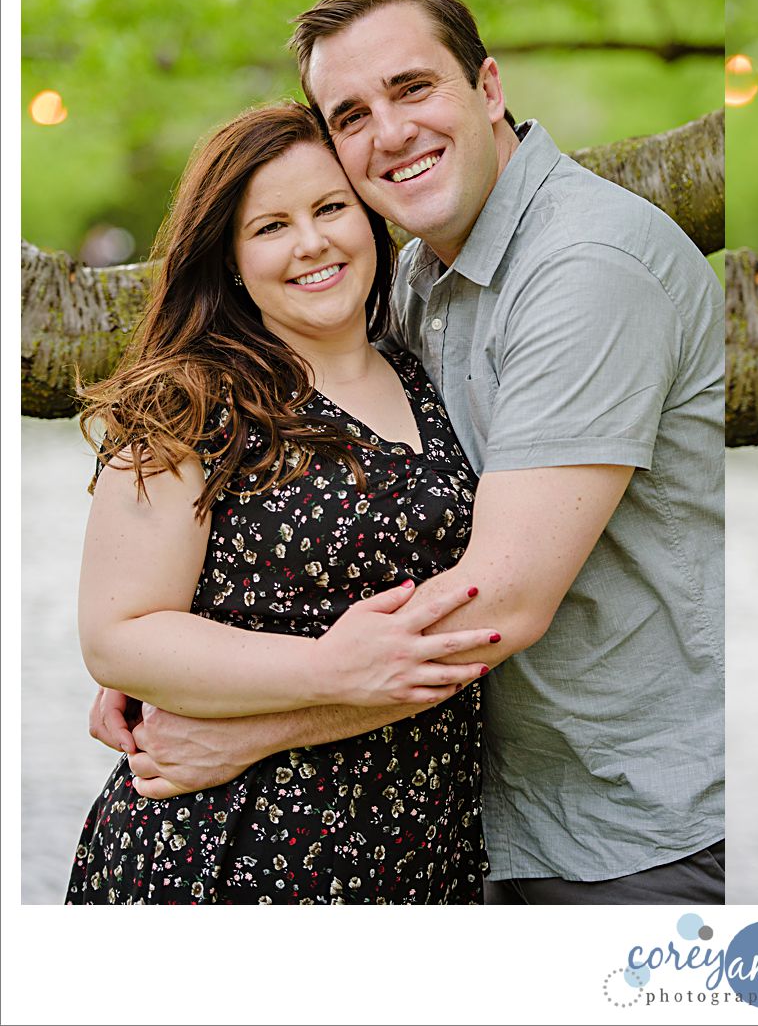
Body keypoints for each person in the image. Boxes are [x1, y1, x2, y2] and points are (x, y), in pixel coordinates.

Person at [89, 0, 726, 905]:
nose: (389, 133)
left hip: (623, 828)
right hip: (470, 819)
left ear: (489, 87)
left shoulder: (586, 268)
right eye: (352, 114)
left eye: (412, 88)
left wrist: (252, 724)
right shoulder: (422, 276)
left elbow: (496, 601)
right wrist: (174, 667)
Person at [69, 102, 498, 903]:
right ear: (229, 258)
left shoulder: (429, 371)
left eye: (331, 208)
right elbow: (118, 636)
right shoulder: (186, 401)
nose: (312, 243)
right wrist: (325, 668)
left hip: (422, 845)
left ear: (372, 220)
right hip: (231, 842)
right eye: (270, 226)